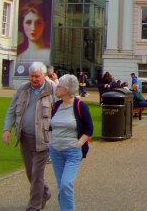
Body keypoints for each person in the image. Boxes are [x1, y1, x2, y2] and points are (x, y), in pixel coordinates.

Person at [2, 62, 56, 210]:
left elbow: (63, 111)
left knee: (37, 174)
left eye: (37, 76)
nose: (34, 79)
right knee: (30, 173)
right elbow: (11, 110)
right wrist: (7, 129)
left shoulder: (53, 89)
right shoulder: (23, 89)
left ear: (44, 75)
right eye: (31, 76)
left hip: (44, 139)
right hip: (25, 138)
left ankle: (33, 206)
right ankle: (44, 193)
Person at [50, 74, 94, 211]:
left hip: (72, 152)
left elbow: (89, 129)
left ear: (67, 90)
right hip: (56, 151)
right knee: (61, 186)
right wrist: (51, 141)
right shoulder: (56, 105)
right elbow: (51, 125)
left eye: (59, 86)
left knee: (66, 184)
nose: (56, 88)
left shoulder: (81, 106)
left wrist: (79, 143)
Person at [16, 0, 51, 65]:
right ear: (22, 24)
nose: (33, 28)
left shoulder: (50, 54)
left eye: (38, 23)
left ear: (45, 24)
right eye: (28, 22)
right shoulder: (20, 58)